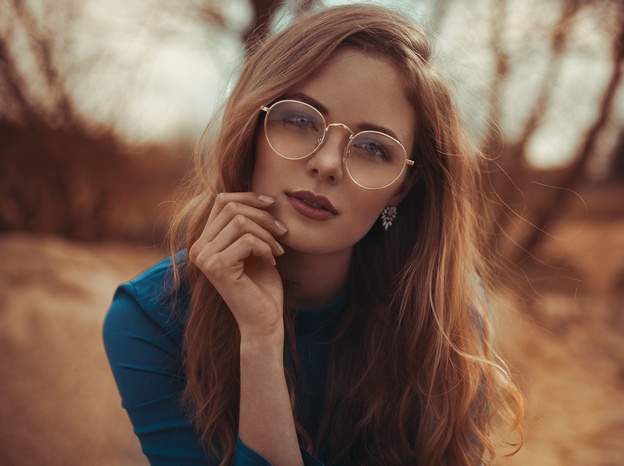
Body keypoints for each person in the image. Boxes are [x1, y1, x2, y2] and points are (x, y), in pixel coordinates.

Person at [103, 4, 523, 466]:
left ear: (400, 189)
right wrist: (261, 341)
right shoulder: (150, 318)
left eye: (372, 148)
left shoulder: (447, 317)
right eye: (301, 120)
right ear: (252, 129)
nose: (326, 163)